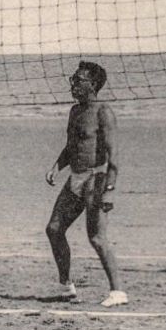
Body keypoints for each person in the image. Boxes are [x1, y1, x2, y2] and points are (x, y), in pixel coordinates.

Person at [44, 60, 127, 307]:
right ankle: (67, 285)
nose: (73, 84)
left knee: (97, 238)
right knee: (54, 229)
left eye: (79, 80)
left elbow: (114, 158)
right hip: (76, 177)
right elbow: (72, 147)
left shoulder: (103, 112)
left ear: (92, 85)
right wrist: (56, 167)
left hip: (96, 177)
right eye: (74, 79)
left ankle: (118, 292)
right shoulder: (75, 111)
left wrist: (109, 191)